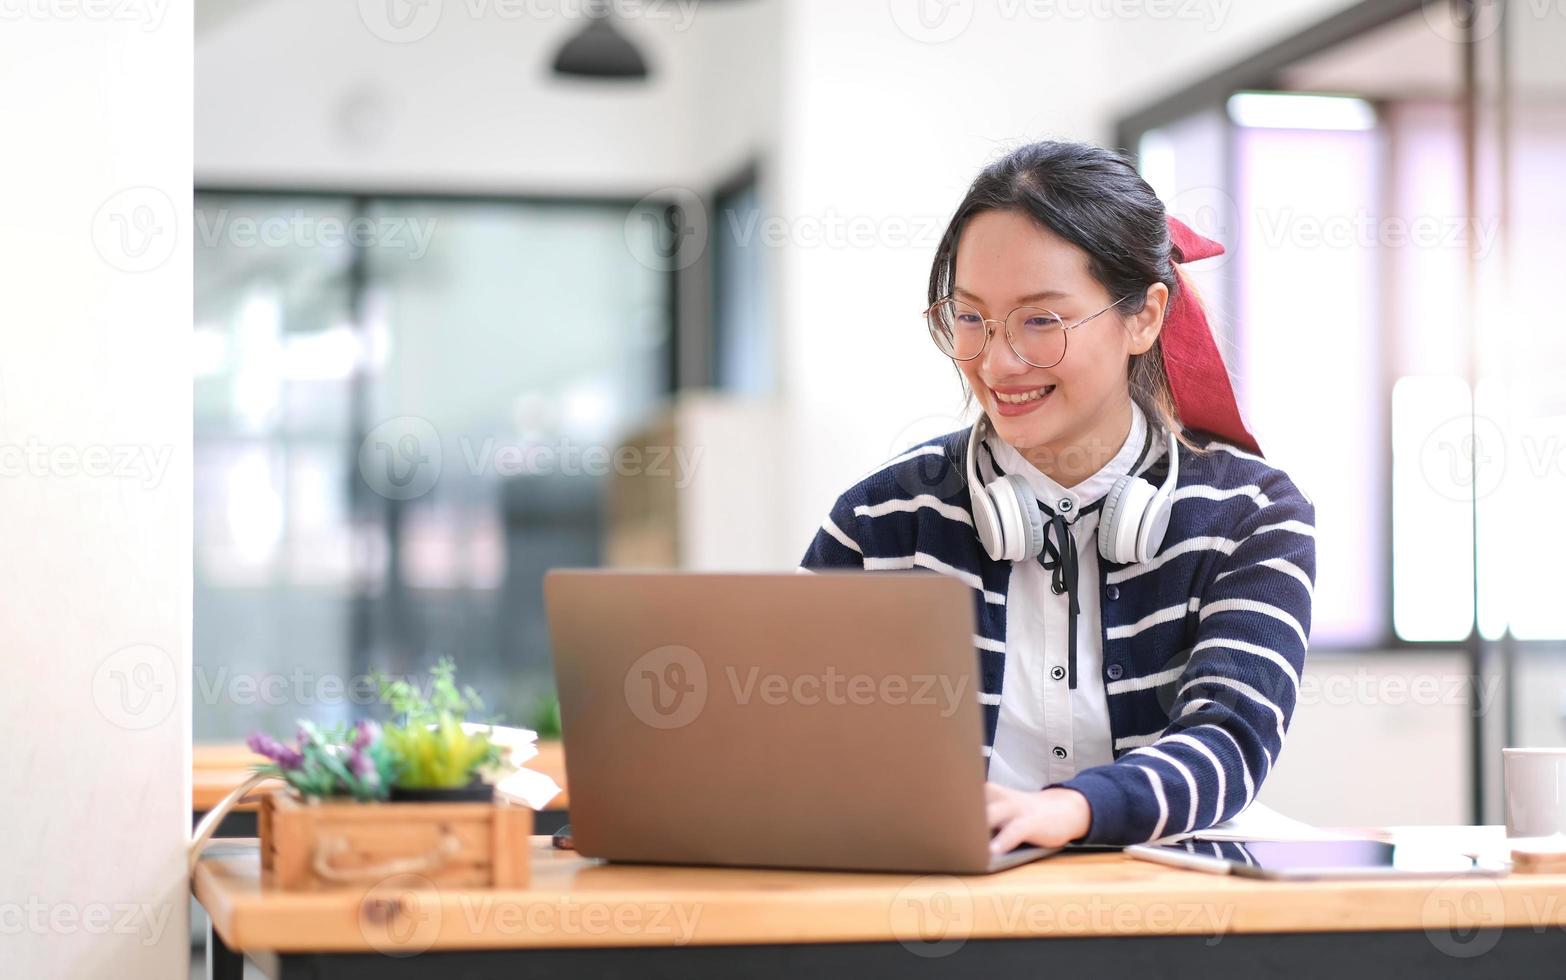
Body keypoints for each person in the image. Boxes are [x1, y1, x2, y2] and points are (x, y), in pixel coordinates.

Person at [799, 140, 1316, 851]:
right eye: (972, 317)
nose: (998, 360)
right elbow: (790, 742)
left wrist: (1072, 810)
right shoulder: (880, 522)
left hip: (1167, 922)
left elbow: (1229, 740)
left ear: (1144, 316)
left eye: (1041, 320)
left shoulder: (1251, 517)